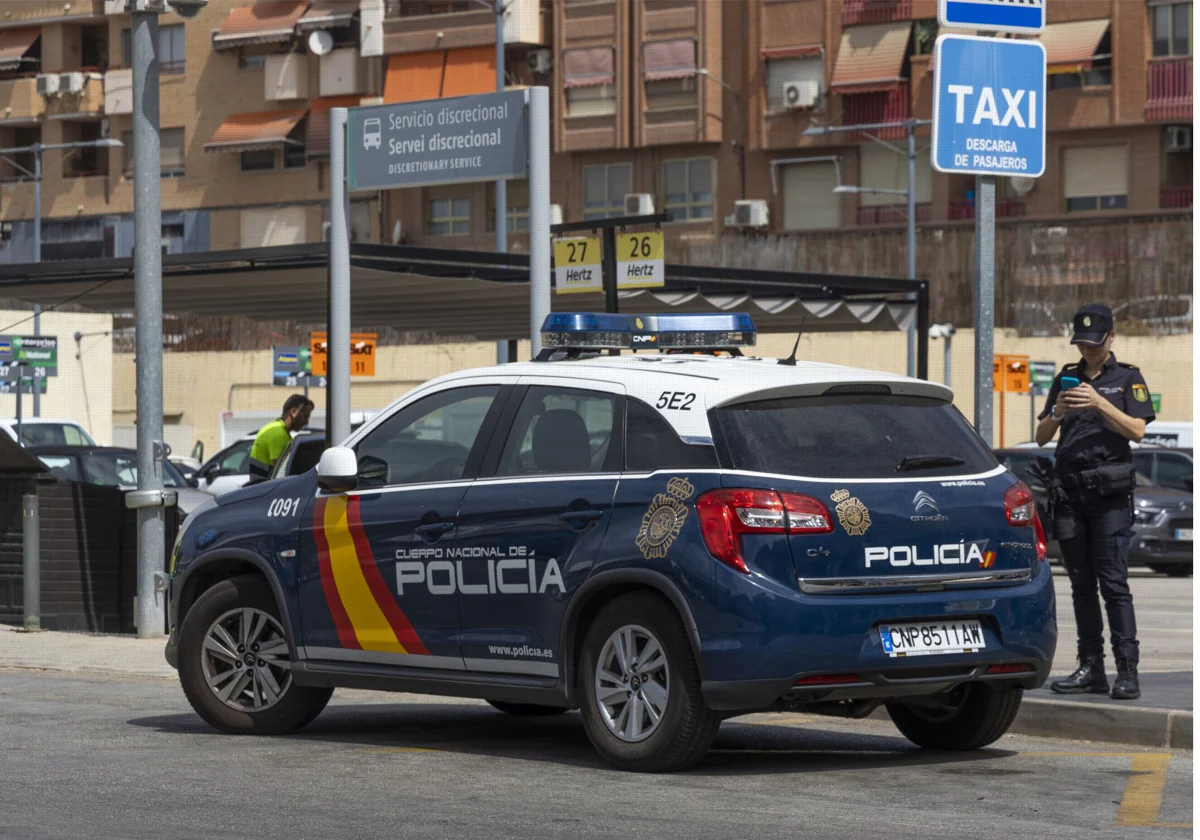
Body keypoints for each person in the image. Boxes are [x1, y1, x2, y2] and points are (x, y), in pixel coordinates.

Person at [1035, 304, 1155, 700]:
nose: (1087, 350)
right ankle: (1091, 667)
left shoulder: (1127, 378)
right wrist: (1057, 411)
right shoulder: (1066, 377)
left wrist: (1101, 403)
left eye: (1094, 343)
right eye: (1081, 344)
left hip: (1109, 498)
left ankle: (1128, 670)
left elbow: (1137, 430)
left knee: (1114, 584)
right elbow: (1040, 436)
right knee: (1081, 586)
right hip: (1070, 494)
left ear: (1110, 339)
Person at [249, 395, 313, 478]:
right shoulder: (278, 433)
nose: (306, 422)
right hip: (266, 486)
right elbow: (283, 471)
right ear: (294, 412)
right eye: (305, 416)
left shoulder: (274, 428)